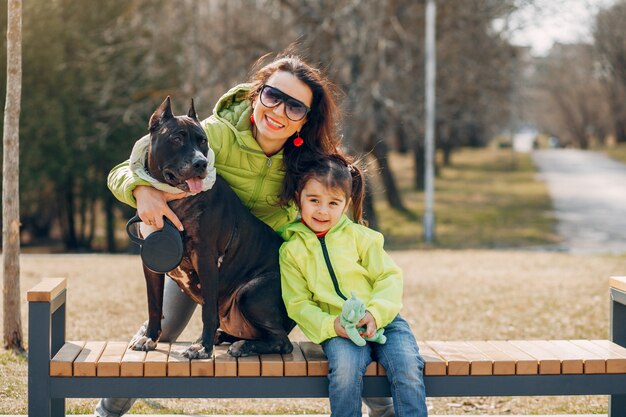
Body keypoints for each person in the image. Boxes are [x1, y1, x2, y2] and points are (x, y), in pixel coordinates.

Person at [96, 54, 395, 417]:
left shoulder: (306, 161)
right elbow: (127, 167)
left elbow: (333, 203)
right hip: (197, 256)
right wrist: (141, 190)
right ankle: (106, 412)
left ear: (305, 120)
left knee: (343, 315)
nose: (280, 111)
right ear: (256, 95)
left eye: (295, 107)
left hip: (260, 266)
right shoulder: (214, 135)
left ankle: (385, 410)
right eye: (273, 96)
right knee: (160, 332)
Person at [278, 154, 428, 417]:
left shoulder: (362, 239)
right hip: (338, 328)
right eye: (314, 201)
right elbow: (298, 303)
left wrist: (376, 313)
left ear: (346, 204)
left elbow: (389, 277)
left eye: (333, 203)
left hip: (385, 322)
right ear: (298, 198)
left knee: (406, 366)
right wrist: (330, 325)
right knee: (346, 371)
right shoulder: (291, 250)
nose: (322, 210)